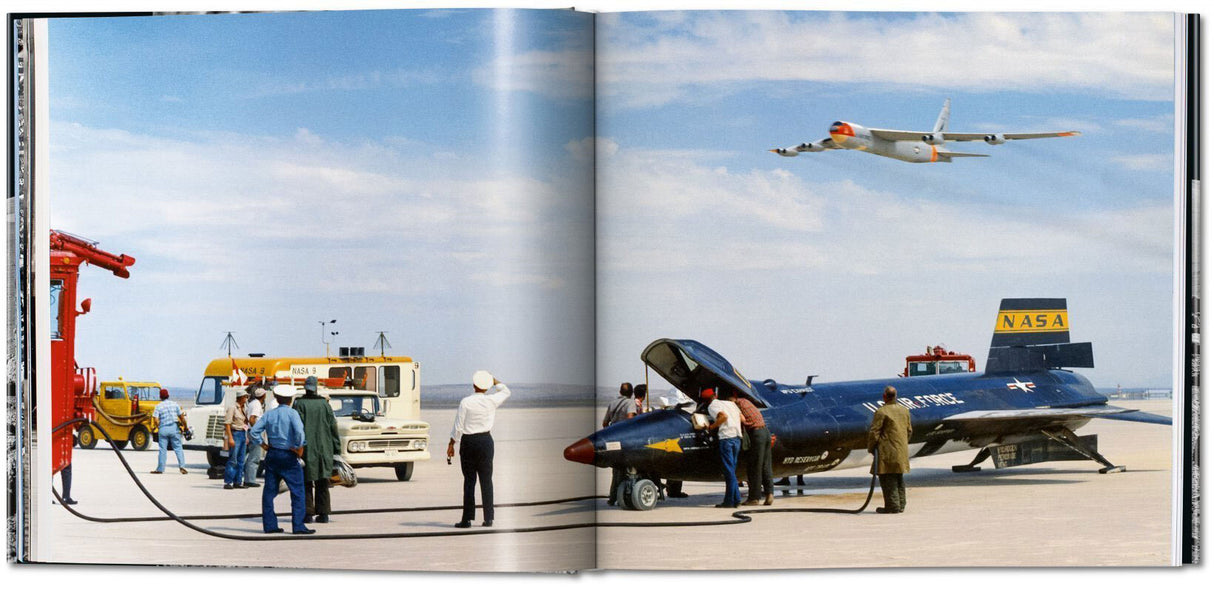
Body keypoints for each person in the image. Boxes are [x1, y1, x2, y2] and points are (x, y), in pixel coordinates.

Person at [447, 371, 511, 528]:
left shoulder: (466, 402)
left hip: (469, 443)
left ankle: (467, 519)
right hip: (486, 442)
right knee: (486, 481)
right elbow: (506, 391)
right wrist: (495, 381)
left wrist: (451, 444)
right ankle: (488, 519)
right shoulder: (491, 401)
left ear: (474, 385)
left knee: (469, 482)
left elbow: (458, 426)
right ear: (487, 387)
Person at [249, 385, 314, 534]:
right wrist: (298, 447)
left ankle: (270, 525)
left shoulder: (269, 414)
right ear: (291, 399)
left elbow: (254, 431)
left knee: (269, 492)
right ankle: (298, 525)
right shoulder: (293, 414)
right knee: (297, 491)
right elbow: (299, 433)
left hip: (272, 454)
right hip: (288, 454)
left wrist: (263, 445)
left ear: (277, 399)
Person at [293, 376, 341, 524]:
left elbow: (295, 427)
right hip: (324, 448)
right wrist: (337, 448)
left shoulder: (299, 404)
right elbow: (333, 426)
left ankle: (307, 514)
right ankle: (324, 513)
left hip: (305, 449)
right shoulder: (325, 405)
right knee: (322, 482)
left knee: (306, 482)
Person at [867, 385, 912, 514]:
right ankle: (901, 504)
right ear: (895, 396)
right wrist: (902, 444)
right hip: (901, 450)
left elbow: (874, 433)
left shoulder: (881, 412)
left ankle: (893, 506)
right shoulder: (904, 410)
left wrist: (871, 448)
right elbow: (909, 431)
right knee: (898, 477)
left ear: (884, 397)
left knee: (887, 478)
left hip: (887, 451)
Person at [702, 387, 743, 508]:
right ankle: (736, 499)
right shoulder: (730, 403)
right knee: (732, 470)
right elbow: (742, 418)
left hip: (726, 439)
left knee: (729, 471)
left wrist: (711, 427)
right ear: (715, 395)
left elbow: (723, 417)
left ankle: (729, 501)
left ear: (706, 400)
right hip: (737, 438)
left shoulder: (712, 406)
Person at [736, 392, 773, 506]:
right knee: (766, 465)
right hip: (765, 432)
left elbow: (741, 419)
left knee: (754, 466)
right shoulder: (747, 402)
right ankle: (769, 493)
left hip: (756, 434)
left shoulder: (736, 405)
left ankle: (754, 498)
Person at [602, 382, 635, 506]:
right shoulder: (630, 403)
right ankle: (624, 495)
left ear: (620, 392)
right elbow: (630, 419)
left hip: (613, 438)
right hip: (625, 438)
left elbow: (605, 423)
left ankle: (612, 497)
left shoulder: (612, 403)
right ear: (631, 393)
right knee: (627, 468)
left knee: (616, 469)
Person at [149, 388, 188, 475]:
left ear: (160, 397)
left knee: (162, 450)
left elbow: (155, 419)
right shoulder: (175, 404)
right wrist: (186, 427)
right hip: (174, 428)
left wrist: (158, 426)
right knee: (178, 448)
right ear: (168, 395)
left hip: (163, 429)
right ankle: (182, 467)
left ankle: (160, 469)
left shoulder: (158, 406)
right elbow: (182, 417)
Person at [222, 389, 250, 489]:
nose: (246, 399)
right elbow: (228, 423)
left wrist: (246, 436)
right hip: (235, 434)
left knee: (241, 460)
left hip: (242, 434)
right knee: (233, 459)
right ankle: (228, 482)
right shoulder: (232, 408)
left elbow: (244, 424)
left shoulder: (243, 409)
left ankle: (238, 481)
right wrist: (230, 438)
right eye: (245, 397)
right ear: (241, 397)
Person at [243, 384, 266, 487]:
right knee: (254, 457)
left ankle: (245, 478)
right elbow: (252, 419)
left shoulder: (252, 403)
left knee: (246, 456)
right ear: (263, 396)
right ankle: (250, 480)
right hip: (254, 432)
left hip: (250, 431)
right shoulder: (257, 404)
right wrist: (256, 431)